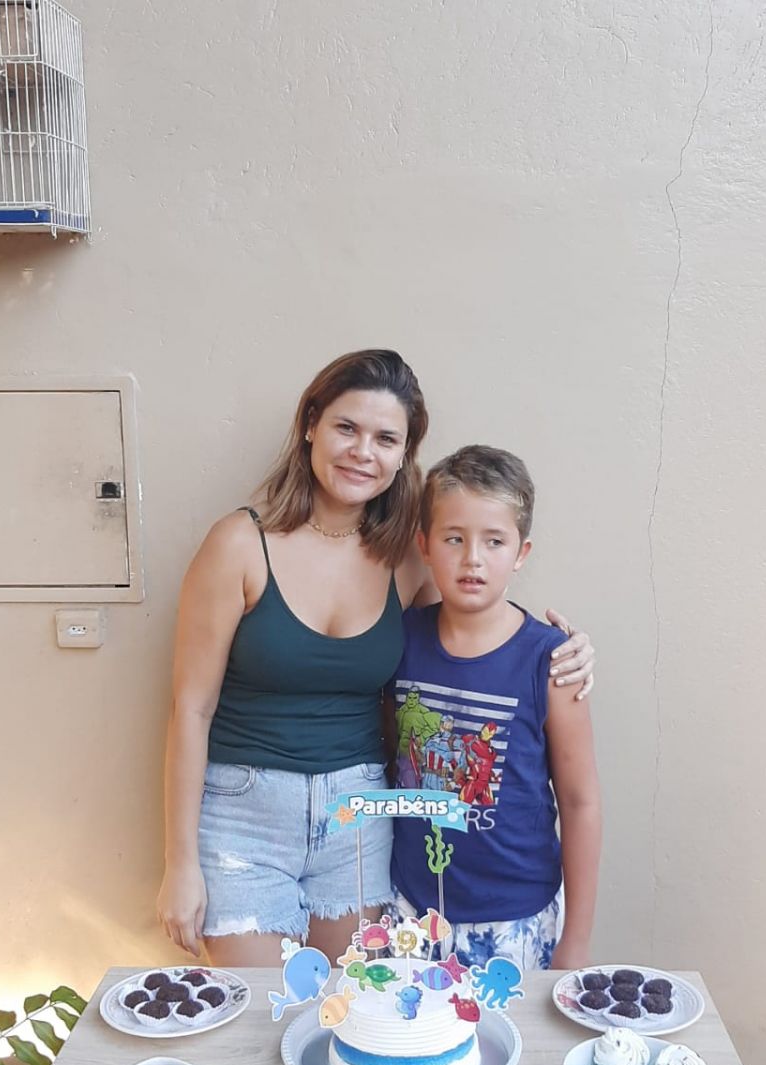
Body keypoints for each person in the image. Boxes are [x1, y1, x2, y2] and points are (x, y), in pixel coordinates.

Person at [157, 351, 595, 968]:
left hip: (359, 819)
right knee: (265, 1009)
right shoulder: (239, 545)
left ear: (403, 454)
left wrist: (566, 649)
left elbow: (471, 632)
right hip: (245, 820)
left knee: (352, 1007)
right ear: (311, 424)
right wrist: (179, 864)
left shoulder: (407, 561)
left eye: (386, 438)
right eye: (346, 428)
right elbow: (191, 709)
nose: (363, 452)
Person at [387, 444, 603, 972]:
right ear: (424, 545)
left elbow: (580, 802)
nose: (473, 559)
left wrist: (576, 940)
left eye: (494, 541)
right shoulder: (398, 641)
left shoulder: (550, 660)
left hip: (514, 921)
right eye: (453, 538)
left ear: (521, 553)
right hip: (410, 912)